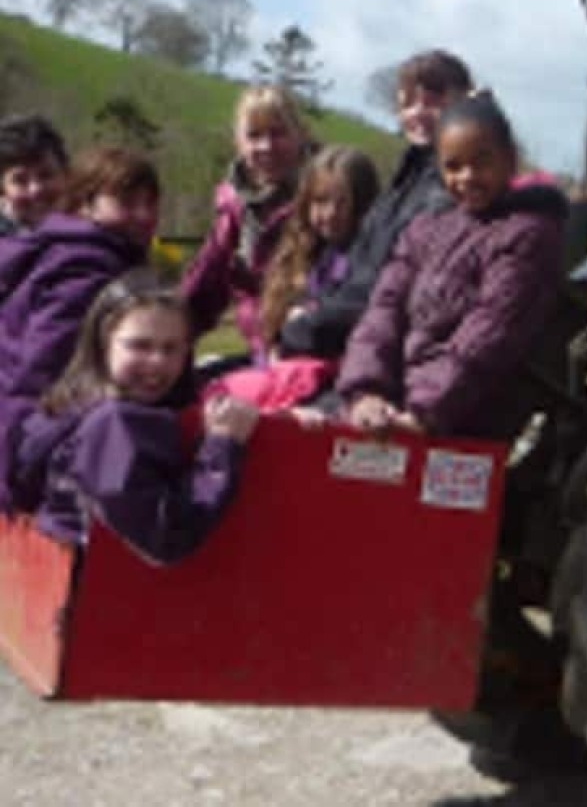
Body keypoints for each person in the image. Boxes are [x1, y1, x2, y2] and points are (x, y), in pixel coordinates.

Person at [335, 95, 566, 439]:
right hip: (394, 407)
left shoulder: (528, 235)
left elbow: (490, 333)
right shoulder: (424, 231)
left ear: (510, 158)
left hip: (462, 419)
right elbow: (383, 311)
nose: (467, 176)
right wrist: (366, 392)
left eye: (482, 161)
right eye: (453, 166)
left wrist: (425, 412)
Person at [5, 272, 256, 564]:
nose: (157, 362)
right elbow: (165, 537)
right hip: (100, 594)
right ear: (104, 343)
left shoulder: (69, 408)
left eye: (171, 348)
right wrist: (221, 448)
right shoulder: (113, 425)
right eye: (140, 346)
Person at [275, 50, 472, 361]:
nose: (417, 113)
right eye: (407, 103)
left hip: (381, 350)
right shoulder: (404, 183)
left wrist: (303, 330)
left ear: (463, 101)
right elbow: (358, 268)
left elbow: (385, 289)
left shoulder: (444, 193)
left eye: (432, 100)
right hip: (348, 333)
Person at [202, 146, 381, 410]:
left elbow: (337, 321)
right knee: (204, 377)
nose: (330, 213)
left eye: (342, 202)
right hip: (284, 362)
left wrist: (298, 326)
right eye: (320, 202)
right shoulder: (309, 253)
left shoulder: (363, 259)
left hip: (324, 373)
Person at [0, 146, 160, 440]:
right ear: (86, 205)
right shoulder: (87, 269)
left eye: (150, 202)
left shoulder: (71, 249)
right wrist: (17, 458)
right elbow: (40, 368)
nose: (143, 214)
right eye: (126, 202)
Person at [183, 85, 313, 362]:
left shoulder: (323, 195)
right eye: (254, 136)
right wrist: (169, 332)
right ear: (238, 143)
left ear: (300, 135)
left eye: (277, 133)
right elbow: (206, 284)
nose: (266, 146)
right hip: (261, 350)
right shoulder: (235, 208)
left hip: (313, 345)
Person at [0, 115, 69, 237]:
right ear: (2, 190)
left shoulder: (97, 235)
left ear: (66, 175)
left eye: (46, 175)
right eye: (20, 180)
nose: (36, 189)